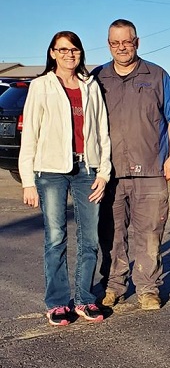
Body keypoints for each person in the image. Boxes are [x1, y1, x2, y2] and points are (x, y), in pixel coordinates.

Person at [93, 19, 170, 310]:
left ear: (136, 42)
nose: (121, 48)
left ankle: (148, 288)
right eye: (115, 42)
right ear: (109, 44)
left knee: (149, 233)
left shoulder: (157, 75)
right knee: (111, 234)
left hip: (150, 170)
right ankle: (114, 287)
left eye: (127, 41)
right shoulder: (98, 78)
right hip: (109, 173)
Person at [19, 31, 111, 326]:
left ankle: (85, 299)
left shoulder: (90, 86)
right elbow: (30, 134)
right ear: (52, 53)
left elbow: (102, 132)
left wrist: (104, 172)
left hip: (87, 170)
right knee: (55, 238)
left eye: (74, 49)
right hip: (51, 172)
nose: (69, 54)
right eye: (63, 50)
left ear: (80, 53)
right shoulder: (41, 86)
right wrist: (27, 181)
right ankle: (57, 303)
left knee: (90, 238)